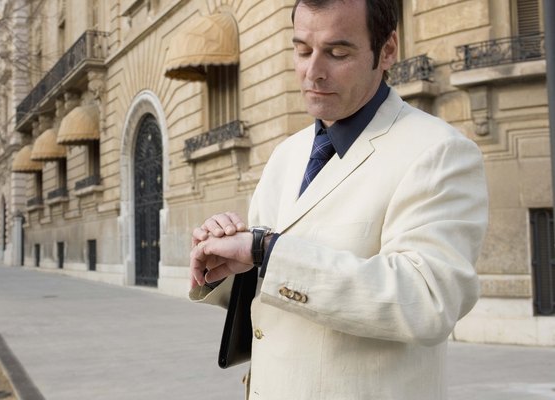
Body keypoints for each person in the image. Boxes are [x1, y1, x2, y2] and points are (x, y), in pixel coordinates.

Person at [188, 0, 488, 399]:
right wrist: (228, 265)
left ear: (387, 50)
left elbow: (428, 302)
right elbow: (270, 284)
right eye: (302, 50)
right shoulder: (287, 154)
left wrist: (268, 250)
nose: (313, 72)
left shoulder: (440, 152)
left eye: (337, 52)